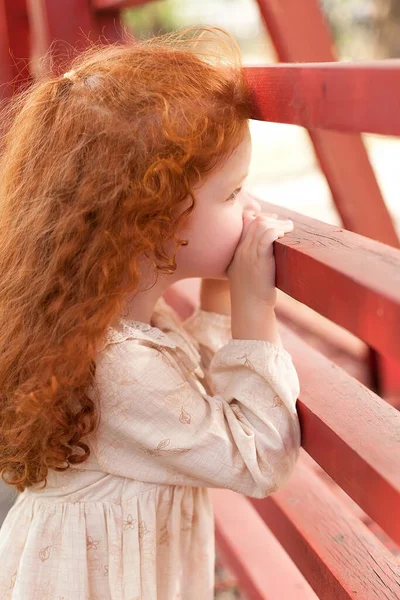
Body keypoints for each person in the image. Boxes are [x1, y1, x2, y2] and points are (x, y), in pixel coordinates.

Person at [0, 26, 300, 600]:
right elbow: (259, 458)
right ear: (151, 222)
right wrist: (255, 306)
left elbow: (195, 408)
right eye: (233, 194)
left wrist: (220, 295)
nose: (252, 206)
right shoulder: (117, 368)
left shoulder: (112, 331)